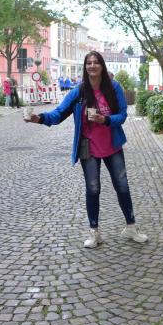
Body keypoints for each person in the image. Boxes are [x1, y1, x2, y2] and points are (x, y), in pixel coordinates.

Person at [25, 51, 149, 248]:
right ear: (85, 67)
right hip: (88, 146)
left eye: (96, 62)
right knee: (93, 188)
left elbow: (123, 115)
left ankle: (131, 227)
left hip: (112, 144)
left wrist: (105, 119)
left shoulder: (114, 87)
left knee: (122, 186)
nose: (92, 66)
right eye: (89, 63)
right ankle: (94, 233)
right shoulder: (80, 91)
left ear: (102, 65)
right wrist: (39, 118)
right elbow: (59, 113)